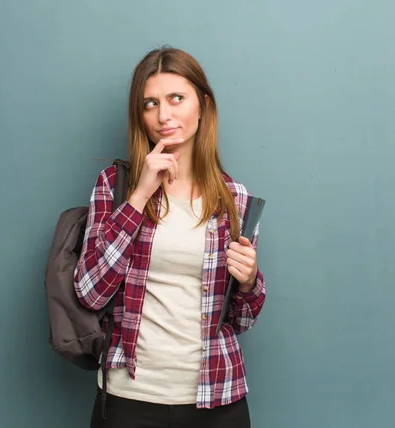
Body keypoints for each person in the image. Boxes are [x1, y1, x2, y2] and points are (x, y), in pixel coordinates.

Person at [73, 46, 266, 428]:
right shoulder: (116, 186)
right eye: (150, 104)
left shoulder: (236, 199)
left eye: (176, 98)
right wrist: (139, 196)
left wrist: (248, 282)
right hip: (130, 399)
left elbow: (240, 321)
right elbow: (90, 291)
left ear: (202, 105)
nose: (164, 115)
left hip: (217, 397)